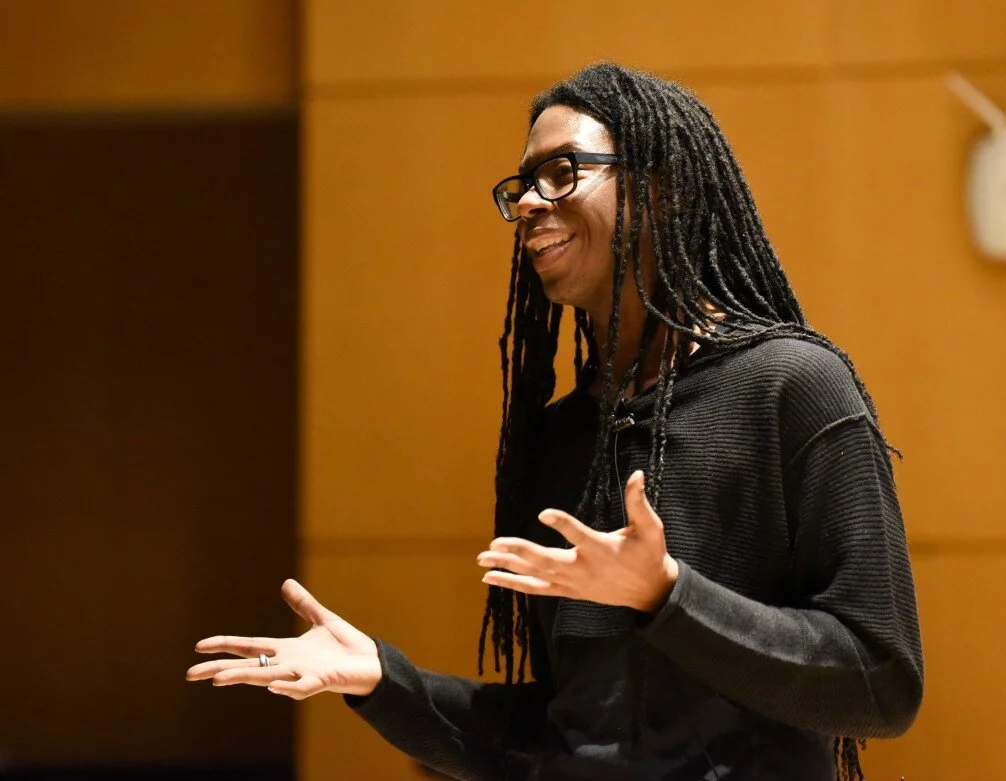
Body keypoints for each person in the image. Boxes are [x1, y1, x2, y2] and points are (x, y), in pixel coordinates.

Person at [187, 62, 924, 781]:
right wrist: (382, 679)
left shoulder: (793, 387)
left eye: (564, 171)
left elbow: (881, 685)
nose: (532, 202)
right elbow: (558, 735)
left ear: (661, 186)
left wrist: (667, 595)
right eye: (523, 185)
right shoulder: (565, 437)